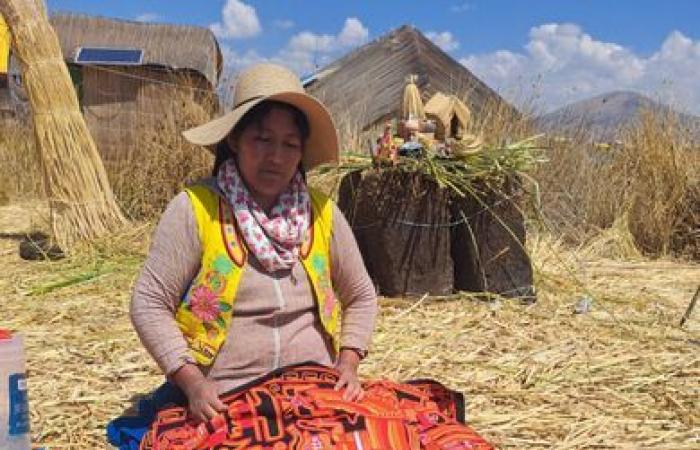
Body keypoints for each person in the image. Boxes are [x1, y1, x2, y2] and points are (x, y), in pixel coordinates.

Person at [129, 63, 378, 425]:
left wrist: (349, 363)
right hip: (227, 400)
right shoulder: (196, 209)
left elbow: (361, 295)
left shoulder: (322, 213)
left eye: (290, 144)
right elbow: (149, 302)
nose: (276, 157)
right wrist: (193, 382)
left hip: (314, 395)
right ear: (234, 139)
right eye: (262, 140)